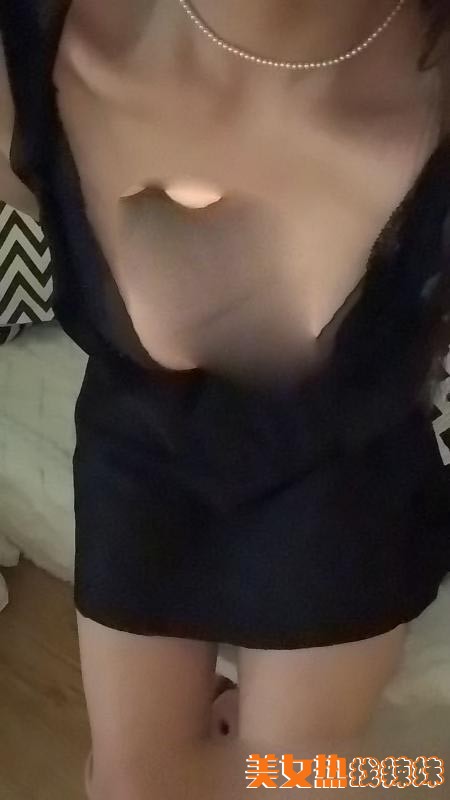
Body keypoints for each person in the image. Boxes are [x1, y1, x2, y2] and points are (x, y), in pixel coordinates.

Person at [1, 1, 449, 797]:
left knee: (293, 779)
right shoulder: (35, 55)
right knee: (130, 787)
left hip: (342, 479)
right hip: (142, 453)